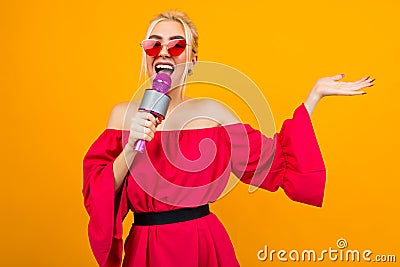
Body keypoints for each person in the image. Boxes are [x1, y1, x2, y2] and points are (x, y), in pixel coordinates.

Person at [82, 10, 374, 267]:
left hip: (203, 246)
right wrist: (132, 146)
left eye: (177, 45)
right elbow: (99, 194)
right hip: (146, 250)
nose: (164, 51)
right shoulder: (123, 116)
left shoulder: (213, 114)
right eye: (154, 43)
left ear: (193, 61)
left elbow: (276, 161)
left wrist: (313, 98)